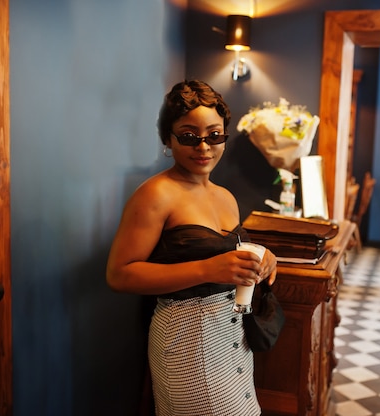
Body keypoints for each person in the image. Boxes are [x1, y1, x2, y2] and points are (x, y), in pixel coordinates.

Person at [106, 80, 277, 416]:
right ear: (168, 139)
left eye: (214, 135)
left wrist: (264, 259)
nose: (203, 147)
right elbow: (119, 274)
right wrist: (208, 269)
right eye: (188, 136)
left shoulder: (225, 197)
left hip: (233, 338)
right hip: (184, 341)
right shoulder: (156, 194)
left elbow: (227, 256)